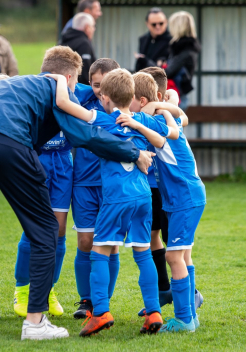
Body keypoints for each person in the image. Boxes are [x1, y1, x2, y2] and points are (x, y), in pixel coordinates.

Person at [0, 45, 155, 340]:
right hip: (7, 142)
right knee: (45, 232)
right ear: (68, 77)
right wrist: (134, 152)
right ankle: (35, 322)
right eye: (75, 80)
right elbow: (83, 135)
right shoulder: (57, 88)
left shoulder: (9, 84)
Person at [47, 68, 180, 337]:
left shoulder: (103, 119)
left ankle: (100, 312)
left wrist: (60, 79)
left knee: (99, 251)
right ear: (132, 95)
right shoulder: (143, 119)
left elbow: (63, 103)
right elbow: (170, 132)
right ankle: (153, 311)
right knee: (142, 253)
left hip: (116, 197)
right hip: (143, 196)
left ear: (104, 97)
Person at [119, 71, 206, 333]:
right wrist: (166, 103)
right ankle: (189, 314)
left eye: (130, 100)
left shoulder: (154, 119)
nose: (127, 105)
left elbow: (163, 133)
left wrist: (135, 121)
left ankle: (184, 320)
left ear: (142, 101)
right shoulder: (166, 114)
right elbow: (175, 110)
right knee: (183, 255)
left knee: (173, 255)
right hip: (187, 197)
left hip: (184, 199)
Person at [71, 58, 121, 319]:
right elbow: (58, 84)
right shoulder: (81, 97)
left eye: (106, 85)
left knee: (110, 245)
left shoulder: (123, 102)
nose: (100, 91)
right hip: (83, 183)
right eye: (95, 84)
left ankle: (104, 300)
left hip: (112, 185)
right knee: (85, 241)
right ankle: (86, 301)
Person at [13, 130, 73, 318]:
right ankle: (22, 290)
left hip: (63, 161)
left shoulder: (82, 98)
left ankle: (49, 289)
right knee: (34, 225)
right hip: (37, 158)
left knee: (59, 228)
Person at [164, 11, 201, 111]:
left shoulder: (185, 51)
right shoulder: (186, 48)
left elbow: (168, 72)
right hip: (177, 96)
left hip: (176, 98)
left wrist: (148, 63)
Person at [61, 13, 96, 85]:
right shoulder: (84, 44)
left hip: (61, 86)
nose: (94, 29)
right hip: (77, 90)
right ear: (87, 27)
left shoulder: (63, 41)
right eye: (93, 26)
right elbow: (85, 72)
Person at [135, 8, 172, 72]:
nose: (158, 27)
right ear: (147, 24)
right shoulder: (143, 39)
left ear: (166, 22)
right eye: (154, 24)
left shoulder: (172, 40)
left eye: (161, 23)